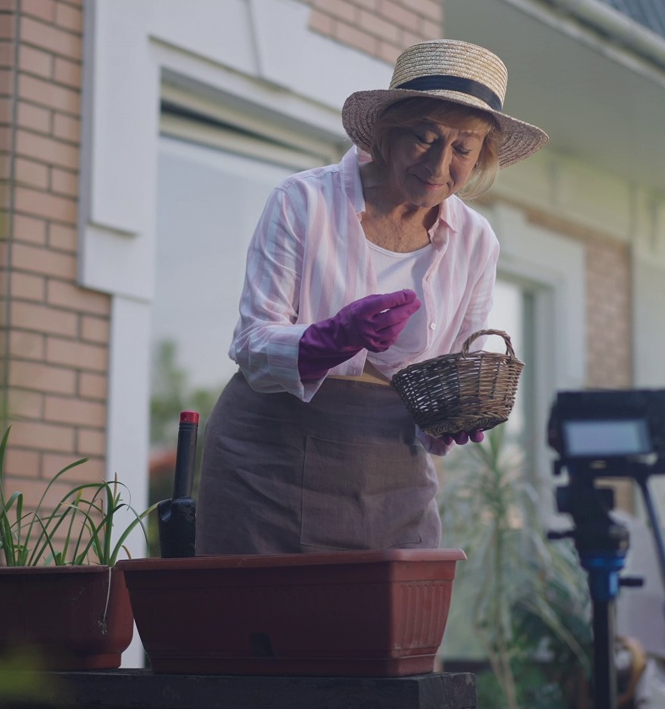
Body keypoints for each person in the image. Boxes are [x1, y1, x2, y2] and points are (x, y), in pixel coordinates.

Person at [195, 39, 548, 555]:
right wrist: (329, 340)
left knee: (392, 626)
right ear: (387, 134)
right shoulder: (304, 202)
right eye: (424, 138)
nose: (439, 164)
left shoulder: (476, 242)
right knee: (260, 626)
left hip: (391, 465)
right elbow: (252, 343)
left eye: (463, 149)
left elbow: (457, 360)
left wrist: (458, 410)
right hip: (269, 455)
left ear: (481, 156)